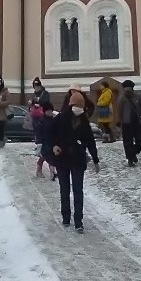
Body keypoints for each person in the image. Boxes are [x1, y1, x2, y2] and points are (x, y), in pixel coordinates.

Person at [50, 92, 100, 233]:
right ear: (71, 105)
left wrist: (95, 159)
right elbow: (49, 134)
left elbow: (90, 141)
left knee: (78, 191)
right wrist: (54, 145)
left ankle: (79, 221)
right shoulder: (60, 118)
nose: (78, 108)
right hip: (62, 159)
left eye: (80, 106)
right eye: (76, 105)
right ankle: (66, 217)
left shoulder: (84, 121)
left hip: (78, 159)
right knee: (64, 190)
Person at [117, 80, 141, 167]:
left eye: (129, 87)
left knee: (139, 140)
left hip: (137, 122)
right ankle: (130, 158)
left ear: (132, 88)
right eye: (126, 88)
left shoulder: (137, 97)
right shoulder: (121, 98)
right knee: (127, 141)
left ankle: (133, 153)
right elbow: (119, 110)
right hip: (126, 123)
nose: (127, 89)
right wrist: (119, 121)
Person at [36, 101, 57, 180]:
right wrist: (39, 141)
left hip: (53, 141)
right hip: (44, 142)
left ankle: (52, 172)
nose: (49, 112)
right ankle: (49, 172)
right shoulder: (41, 121)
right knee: (46, 156)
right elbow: (38, 132)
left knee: (50, 157)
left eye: (51, 110)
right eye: (48, 111)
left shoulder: (55, 120)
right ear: (45, 111)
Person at [29, 77, 50, 151]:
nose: (36, 88)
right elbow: (31, 103)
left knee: (42, 129)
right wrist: (31, 103)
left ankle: (43, 145)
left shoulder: (45, 93)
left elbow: (47, 102)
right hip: (35, 115)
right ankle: (38, 145)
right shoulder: (34, 94)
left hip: (43, 114)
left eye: (37, 86)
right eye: (35, 87)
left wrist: (39, 101)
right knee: (36, 129)